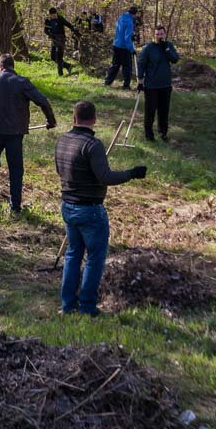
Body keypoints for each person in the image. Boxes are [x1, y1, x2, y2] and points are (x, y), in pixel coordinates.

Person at [54, 100, 147, 317]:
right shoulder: (92, 145)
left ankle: (68, 306)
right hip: (90, 211)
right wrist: (132, 173)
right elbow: (106, 177)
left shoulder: (63, 140)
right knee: (95, 257)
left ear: (74, 118)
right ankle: (87, 307)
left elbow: (60, 170)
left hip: (68, 206)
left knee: (73, 254)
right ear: (94, 119)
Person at [0, 53, 57, 216]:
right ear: (12, 67)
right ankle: (15, 206)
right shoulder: (22, 82)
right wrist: (51, 120)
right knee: (15, 168)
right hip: (15, 133)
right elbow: (42, 101)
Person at [136, 25, 180, 142]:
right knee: (150, 111)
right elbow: (141, 64)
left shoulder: (168, 46)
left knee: (164, 111)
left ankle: (163, 133)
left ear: (164, 34)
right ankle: (149, 135)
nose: (159, 36)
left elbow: (175, 59)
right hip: (151, 85)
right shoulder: (148, 48)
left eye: (161, 34)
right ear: (154, 35)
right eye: (157, 34)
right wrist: (140, 80)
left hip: (165, 85)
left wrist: (166, 49)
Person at [104, 6, 137, 88]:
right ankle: (126, 85)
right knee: (127, 67)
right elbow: (127, 38)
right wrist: (132, 49)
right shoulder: (130, 22)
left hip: (116, 44)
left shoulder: (121, 17)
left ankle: (107, 82)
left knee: (115, 65)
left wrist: (131, 35)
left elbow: (119, 30)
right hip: (124, 47)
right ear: (134, 14)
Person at [44, 7, 80, 76]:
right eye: (53, 15)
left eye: (55, 14)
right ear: (50, 15)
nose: (54, 16)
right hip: (54, 40)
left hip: (61, 39)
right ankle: (68, 66)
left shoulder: (60, 18)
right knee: (53, 57)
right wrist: (50, 35)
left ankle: (60, 74)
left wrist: (75, 30)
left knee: (59, 57)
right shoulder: (48, 20)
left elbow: (68, 25)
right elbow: (45, 30)